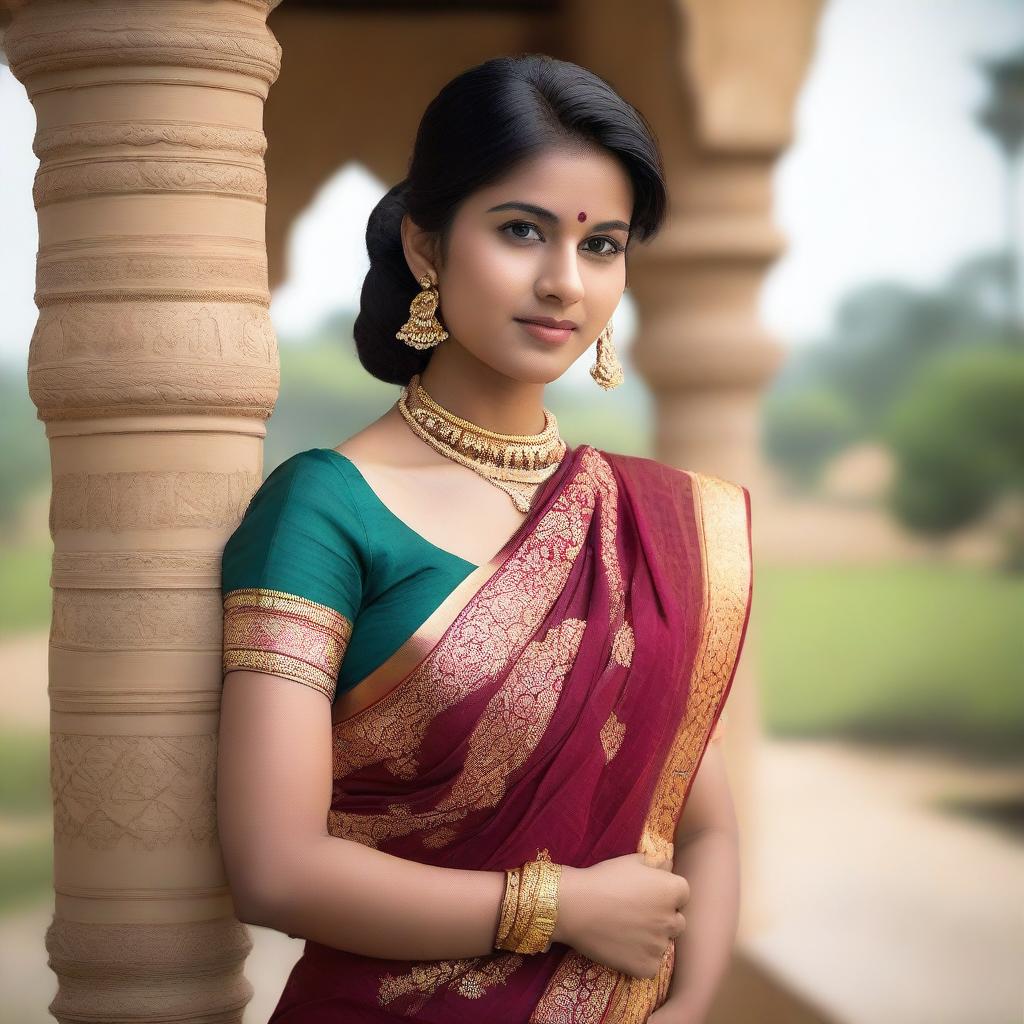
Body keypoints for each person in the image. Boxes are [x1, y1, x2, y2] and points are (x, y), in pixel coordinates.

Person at [216, 53, 752, 1024]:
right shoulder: (325, 508)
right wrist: (564, 906)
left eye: (602, 246)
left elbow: (701, 827)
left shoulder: (652, 522)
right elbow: (274, 867)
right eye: (520, 231)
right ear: (427, 248)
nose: (562, 281)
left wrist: (690, 1003)